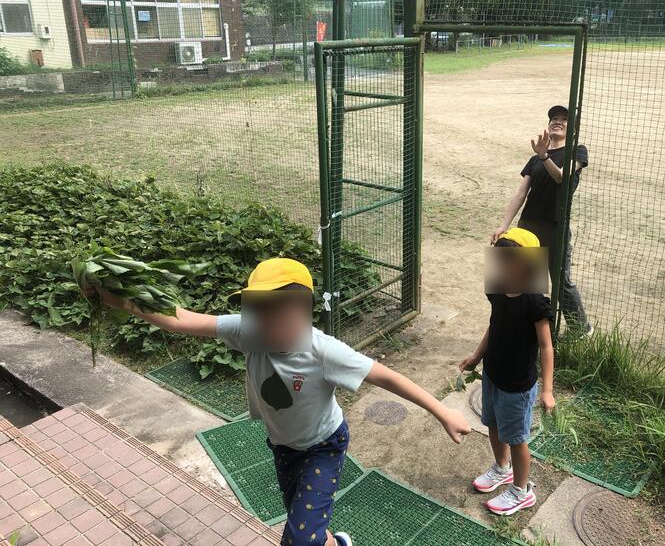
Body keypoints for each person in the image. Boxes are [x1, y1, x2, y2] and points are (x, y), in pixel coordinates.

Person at [94, 257, 471, 546]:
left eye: (276, 314)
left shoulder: (324, 352)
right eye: (258, 313)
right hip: (283, 447)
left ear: (303, 311)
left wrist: (441, 411)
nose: (265, 324)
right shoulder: (249, 331)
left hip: (324, 446)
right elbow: (180, 320)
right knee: (306, 523)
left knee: (298, 538)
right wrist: (124, 300)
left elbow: (387, 376)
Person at [459, 228, 555, 516]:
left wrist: (548, 390)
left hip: (518, 385)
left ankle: (521, 491)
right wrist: (477, 355)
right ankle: (502, 469)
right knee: (493, 424)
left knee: (516, 438)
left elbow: (546, 347)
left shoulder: (535, 302)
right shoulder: (499, 291)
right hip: (493, 374)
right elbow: (495, 325)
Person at [491, 105, 591, 335]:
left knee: (561, 282)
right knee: (516, 280)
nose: (557, 121)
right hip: (528, 227)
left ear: (573, 130)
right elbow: (520, 193)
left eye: (564, 119)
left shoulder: (577, 151)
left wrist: (544, 156)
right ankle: (518, 327)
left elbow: (562, 177)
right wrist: (504, 226)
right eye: (554, 118)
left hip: (556, 227)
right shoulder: (534, 159)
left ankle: (580, 330)